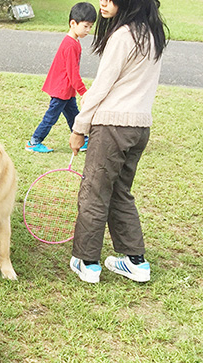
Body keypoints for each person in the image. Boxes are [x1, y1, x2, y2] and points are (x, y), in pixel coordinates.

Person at [68, 0, 168, 284]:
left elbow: (101, 86)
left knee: (94, 192)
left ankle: (87, 262)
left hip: (112, 126)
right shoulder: (151, 34)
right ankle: (136, 261)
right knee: (120, 191)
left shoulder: (123, 35)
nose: (103, 2)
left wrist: (79, 127)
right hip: (139, 127)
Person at [26, 2, 96, 153]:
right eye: (86, 26)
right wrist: (83, 92)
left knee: (73, 114)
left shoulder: (74, 42)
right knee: (51, 117)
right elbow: (73, 73)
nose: (88, 30)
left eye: (90, 26)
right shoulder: (71, 45)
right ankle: (34, 141)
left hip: (65, 89)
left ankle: (82, 139)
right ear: (73, 23)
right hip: (61, 89)